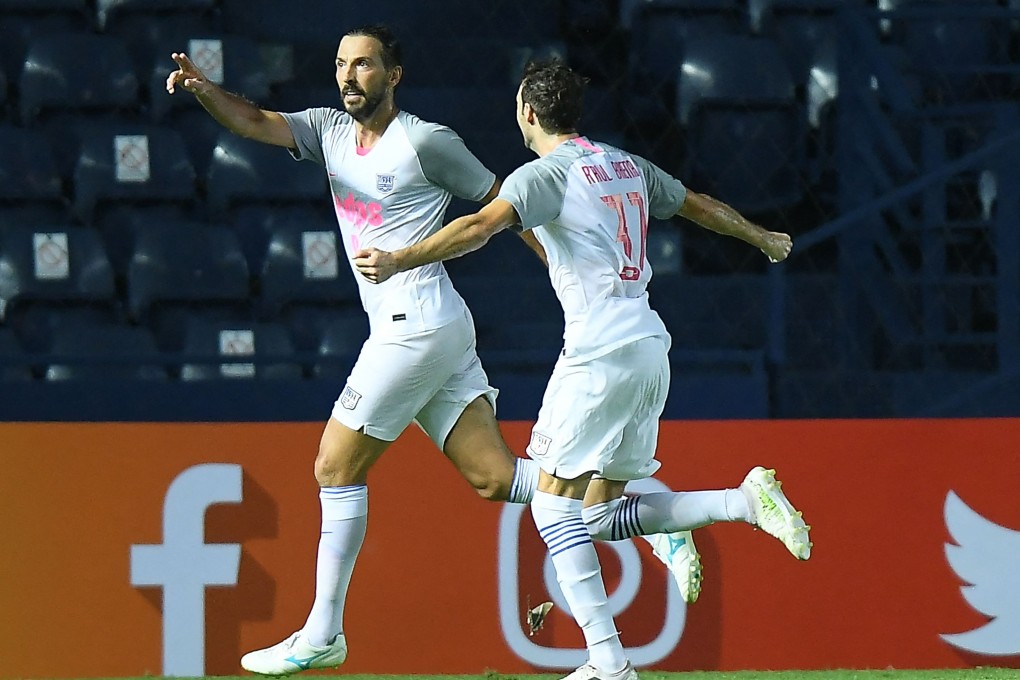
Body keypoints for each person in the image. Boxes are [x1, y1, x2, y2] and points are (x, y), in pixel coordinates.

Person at [165, 26, 702, 677]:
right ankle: (640, 513)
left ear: (393, 74)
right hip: (435, 329)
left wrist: (563, 275)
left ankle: (323, 630)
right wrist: (203, 92)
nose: (348, 75)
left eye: (363, 64)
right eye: (341, 64)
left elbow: (497, 209)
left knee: (334, 467)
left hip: (413, 326)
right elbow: (252, 120)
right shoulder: (327, 131)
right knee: (496, 478)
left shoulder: (428, 141)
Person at [353, 58, 812, 680]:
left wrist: (402, 256)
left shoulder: (546, 175)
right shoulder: (625, 164)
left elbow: (477, 227)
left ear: (528, 114)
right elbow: (698, 206)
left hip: (598, 352)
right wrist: (763, 238)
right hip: (650, 345)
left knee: (551, 505)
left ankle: (607, 662)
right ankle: (744, 502)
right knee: (594, 514)